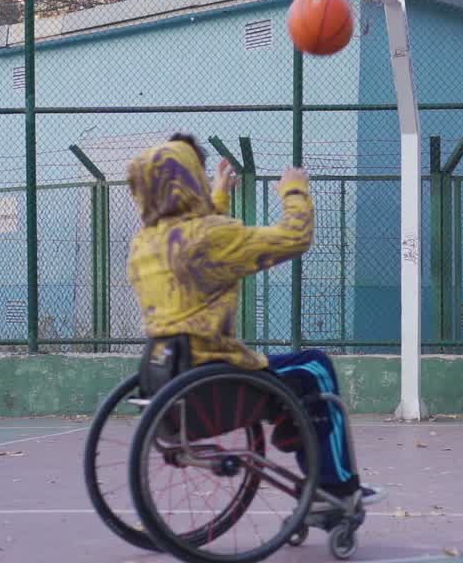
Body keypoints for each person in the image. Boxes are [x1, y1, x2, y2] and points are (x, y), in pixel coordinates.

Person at [125, 133, 382, 510]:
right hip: (215, 380)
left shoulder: (143, 243)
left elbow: (195, 242)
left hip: (167, 375)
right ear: (189, 180)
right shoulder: (210, 237)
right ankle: (336, 488)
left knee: (293, 376)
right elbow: (295, 237)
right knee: (315, 367)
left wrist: (219, 196)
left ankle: (294, 431)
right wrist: (294, 191)